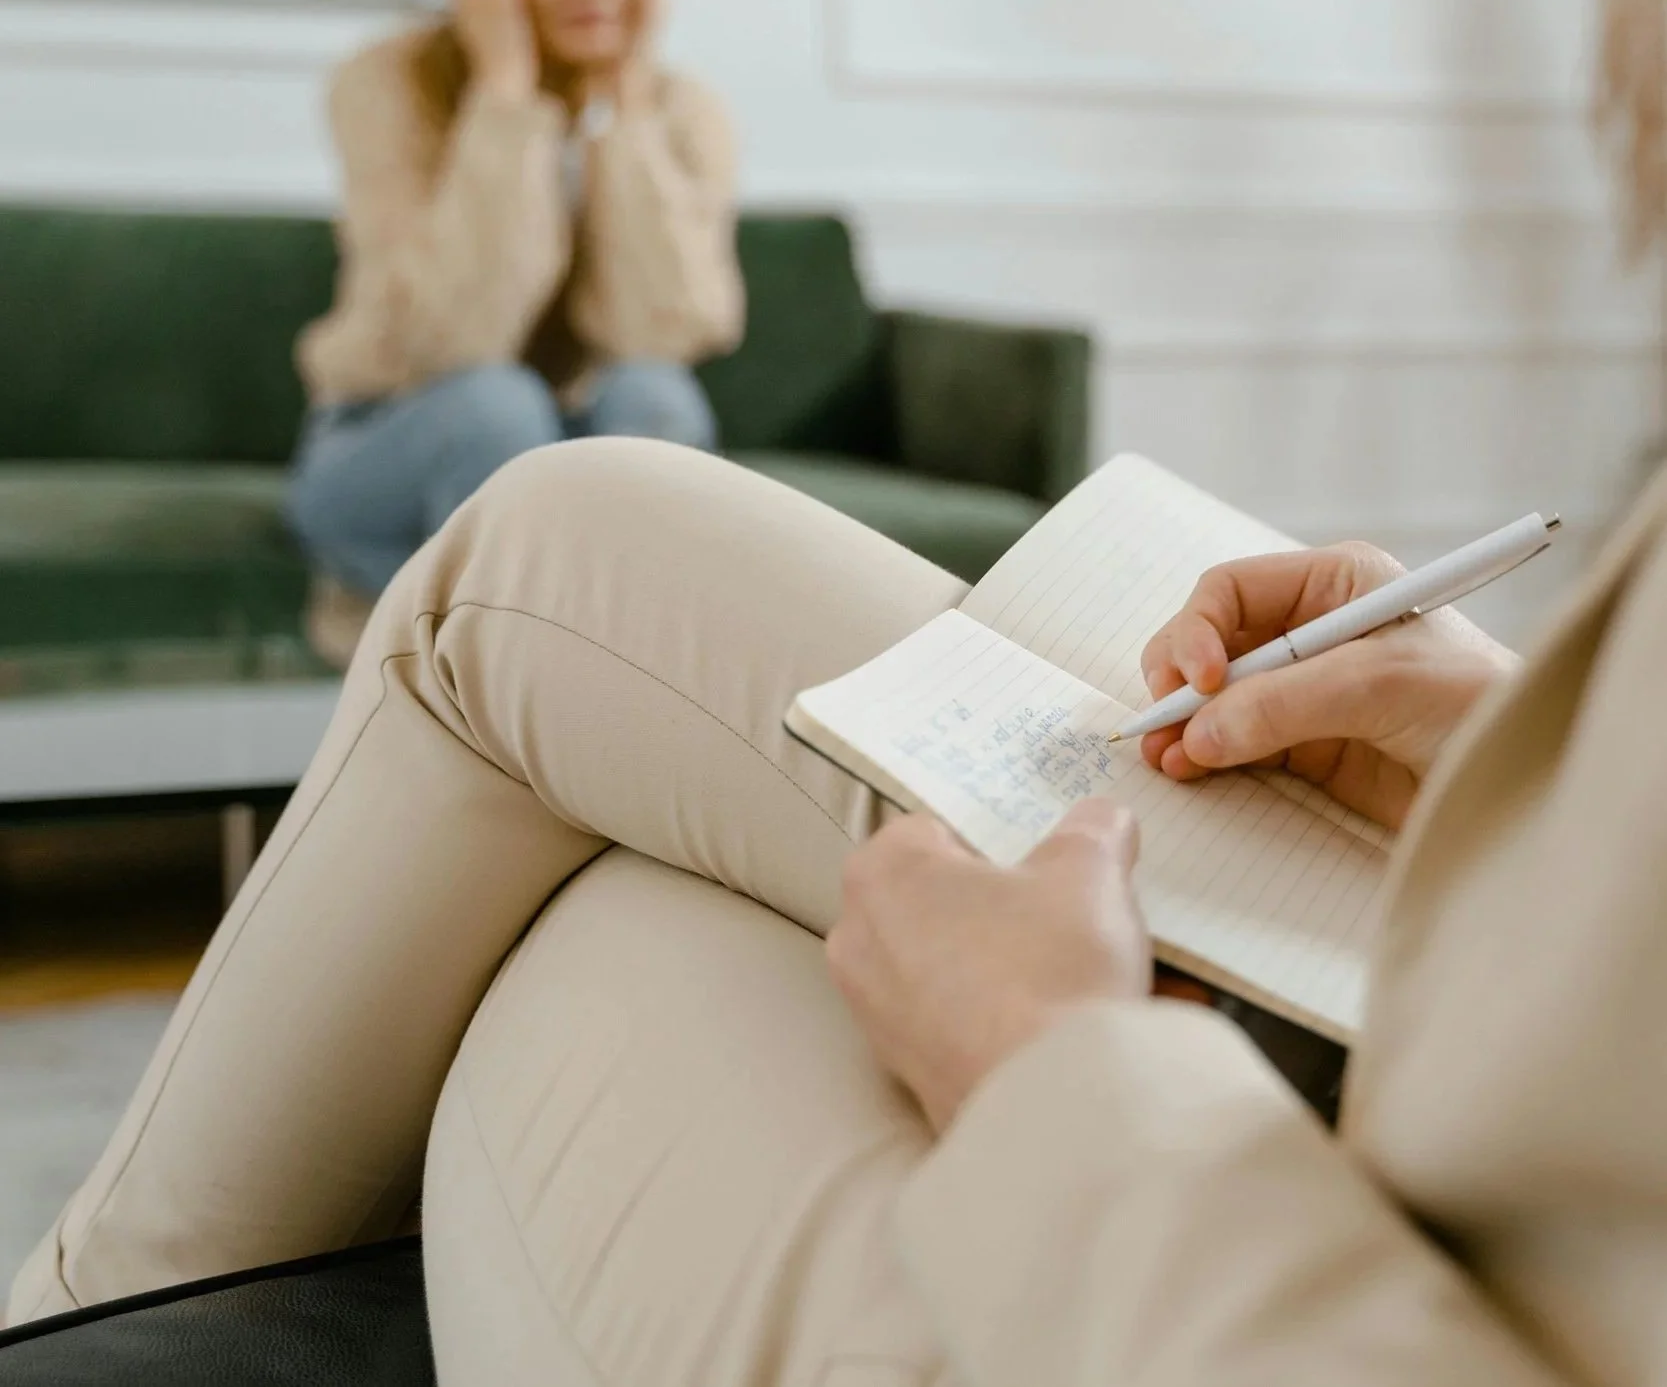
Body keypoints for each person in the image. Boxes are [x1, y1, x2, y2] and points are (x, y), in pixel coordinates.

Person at [10, 436, 1666, 1386]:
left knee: (618, 888)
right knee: (549, 543)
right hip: (1469, 1085)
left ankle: (81, 1319)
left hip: (1232, 1305)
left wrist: (1050, 1067)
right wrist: (1515, 755)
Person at [286, 0, 743, 639]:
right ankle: (526, 667)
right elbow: (455, 337)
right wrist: (504, 94)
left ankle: (590, 661)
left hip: (572, 442)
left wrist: (627, 108)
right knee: (495, 406)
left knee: (656, 395)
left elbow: (666, 329)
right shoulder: (387, 83)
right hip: (385, 440)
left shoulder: (682, 110)